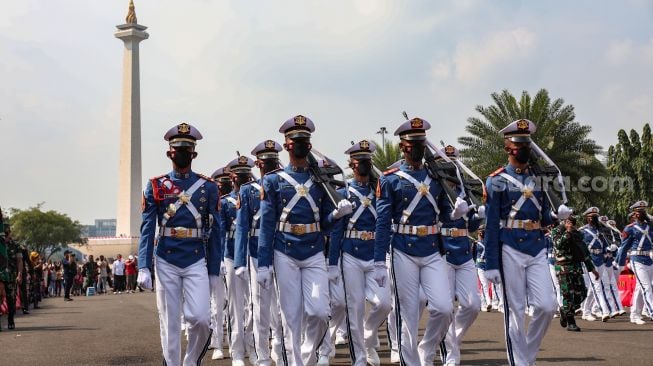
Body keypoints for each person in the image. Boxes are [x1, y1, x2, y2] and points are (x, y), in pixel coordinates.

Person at [257, 115, 352, 366]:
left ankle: (307, 358)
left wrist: (336, 214)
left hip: (313, 251)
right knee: (291, 318)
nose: (299, 144)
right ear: (287, 145)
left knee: (320, 313)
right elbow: (267, 226)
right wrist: (263, 264)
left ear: (309, 146)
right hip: (284, 251)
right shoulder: (273, 180)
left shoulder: (320, 181)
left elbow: (325, 222)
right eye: (295, 140)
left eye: (304, 140)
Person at [375, 117, 469, 366]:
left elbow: (444, 213)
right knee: (409, 314)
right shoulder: (390, 178)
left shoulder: (436, 176)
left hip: (431, 248)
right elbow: (383, 222)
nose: (417, 148)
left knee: (443, 308)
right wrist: (377, 261)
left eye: (420, 143)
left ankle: (427, 349)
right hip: (403, 248)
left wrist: (456, 213)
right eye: (412, 143)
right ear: (403, 147)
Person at [484, 119, 571, 366]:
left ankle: (527, 356)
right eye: (518, 143)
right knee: (516, 311)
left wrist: (556, 216)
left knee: (547, 305)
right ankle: (519, 362)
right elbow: (490, 225)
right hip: (508, 245)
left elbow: (543, 216)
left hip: (535, 244)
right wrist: (491, 263)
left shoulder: (539, 178)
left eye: (526, 143)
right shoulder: (495, 180)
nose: (524, 148)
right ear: (508, 147)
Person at [136, 122, 221, 366]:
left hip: (196, 257)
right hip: (166, 258)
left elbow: (217, 231)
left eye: (187, 149)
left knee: (201, 319)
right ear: (169, 153)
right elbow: (148, 227)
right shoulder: (156, 186)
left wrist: (214, 269)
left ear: (194, 154)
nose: (182, 153)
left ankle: (191, 361)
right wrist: (144, 265)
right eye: (178, 149)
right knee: (170, 323)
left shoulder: (208, 187)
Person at [327, 140, 391, 366]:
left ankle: (369, 336)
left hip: (373, 255)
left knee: (384, 304)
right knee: (353, 309)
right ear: (352, 164)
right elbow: (336, 231)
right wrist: (333, 263)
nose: (364, 164)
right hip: (350, 254)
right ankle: (360, 358)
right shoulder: (343, 192)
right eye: (360, 161)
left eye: (367, 160)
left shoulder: (380, 191)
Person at [234, 140, 285, 366]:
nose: (270, 166)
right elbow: (242, 228)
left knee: (284, 306)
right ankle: (261, 354)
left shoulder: (285, 184)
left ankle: (280, 347)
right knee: (260, 306)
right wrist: (239, 262)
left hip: (283, 250)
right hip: (256, 253)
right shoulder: (247, 191)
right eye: (266, 163)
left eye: (273, 161)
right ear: (258, 164)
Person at [437, 145, 482, 366]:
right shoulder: (435, 189)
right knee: (446, 308)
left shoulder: (465, 191)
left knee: (473, 305)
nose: (452, 166)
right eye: (448, 162)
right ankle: (450, 355)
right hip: (443, 250)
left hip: (464, 251)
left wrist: (479, 215)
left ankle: (450, 338)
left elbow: (471, 225)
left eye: (454, 161)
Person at [221, 156, 256, 366]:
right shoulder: (225, 202)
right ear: (232, 178)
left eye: (246, 176)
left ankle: (251, 346)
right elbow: (221, 232)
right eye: (239, 176)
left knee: (253, 305)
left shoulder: (256, 197)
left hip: (251, 255)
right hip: (231, 256)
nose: (243, 180)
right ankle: (236, 352)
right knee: (235, 306)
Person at [551, 216, 599, 331]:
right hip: (563, 267)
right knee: (568, 294)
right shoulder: (557, 231)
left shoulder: (577, 233)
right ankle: (571, 322)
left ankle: (565, 310)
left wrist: (592, 269)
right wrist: (567, 231)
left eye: (572, 222)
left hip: (576, 267)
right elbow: (559, 244)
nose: (570, 224)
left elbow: (584, 251)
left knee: (582, 293)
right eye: (568, 221)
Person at [617, 200, 653, 324]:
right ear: (635, 213)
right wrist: (620, 263)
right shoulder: (630, 228)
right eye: (640, 211)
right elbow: (623, 247)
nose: (643, 212)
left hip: (649, 259)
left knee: (640, 287)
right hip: (636, 260)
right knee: (647, 287)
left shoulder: (649, 226)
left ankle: (634, 314)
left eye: (644, 210)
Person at [208, 166, 230, 360]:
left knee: (236, 304)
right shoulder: (211, 205)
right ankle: (217, 342)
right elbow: (214, 236)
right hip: (215, 260)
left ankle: (234, 340)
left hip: (231, 258)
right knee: (216, 305)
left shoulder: (234, 204)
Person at [579, 207, 611, 322]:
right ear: (587, 218)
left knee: (593, 288)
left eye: (595, 216)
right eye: (591, 217)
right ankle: (604, 311)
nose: (594, 218)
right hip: (590, 259)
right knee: (597, 286)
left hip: (600, 259)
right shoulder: (582, 231)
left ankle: (586, 311)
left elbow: (604, 244)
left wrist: (608, 248)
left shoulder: (600, 230)